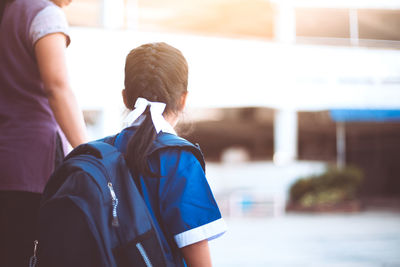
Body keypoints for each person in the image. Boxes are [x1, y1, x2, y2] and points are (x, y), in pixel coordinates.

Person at [111, 42, 227, 266]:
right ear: (183, 99)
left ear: (125, 98)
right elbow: (197, 256)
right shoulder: (180, 160)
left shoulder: (102, 152)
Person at [0, 0, 88, 266]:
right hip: (36, 164)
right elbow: (57, 87)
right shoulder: (46, 14)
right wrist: (89, 152)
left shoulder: (11, 10)